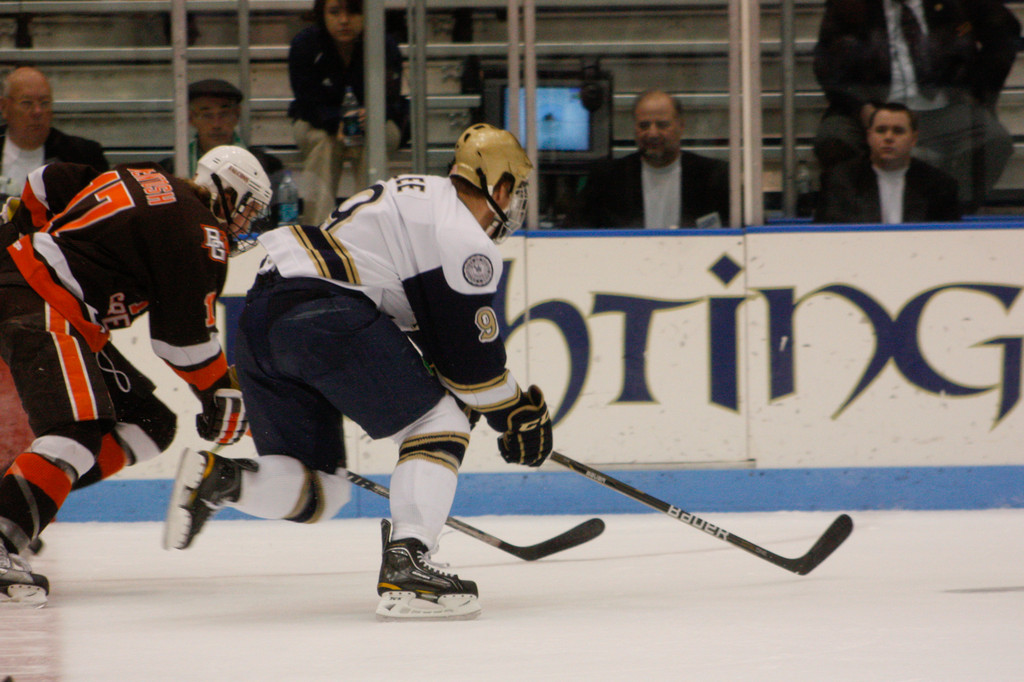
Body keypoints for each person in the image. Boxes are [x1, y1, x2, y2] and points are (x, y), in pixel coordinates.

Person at [164, 123, 552, 621]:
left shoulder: (416, 193)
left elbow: (421, 330)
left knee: (322, 489)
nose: (514, 203)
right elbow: (471, 371)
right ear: (498, 185)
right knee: (441, 423)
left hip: (262, 315)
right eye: (514, 190)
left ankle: (224, 480)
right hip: (324, 314)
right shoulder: (463, 238)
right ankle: (408, 565)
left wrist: (471, 392)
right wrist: (517, 412)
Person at [0, 146, 272, 605]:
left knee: (149, 423)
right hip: (42, 298)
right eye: (246, 206)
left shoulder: (142, 175)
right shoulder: (200, 230)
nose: (245, 221)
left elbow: (47, 180)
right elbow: (181, 340)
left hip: (49, 298)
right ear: (225, 187)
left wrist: (17, 230)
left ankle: (13, 500)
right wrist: (217, 393)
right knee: (77, 429)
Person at [812, 0, 1020, 211]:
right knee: (835, 137)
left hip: (943, 109)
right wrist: (860, 107)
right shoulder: (850, 5)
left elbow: (1005, 33)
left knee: (993, 139)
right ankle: (862, 213)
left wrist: (977, 90)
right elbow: (827, 64)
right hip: (873, 109)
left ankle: (950, 210)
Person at [287, 0, 408, 226]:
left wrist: (371, 116)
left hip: (374, 124)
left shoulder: (385, 44)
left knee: (371, 142)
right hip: (318, 124)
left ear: (366, 13)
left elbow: (394, 100)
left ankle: (373, 227)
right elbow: (306, 101)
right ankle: (317, 231)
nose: (344, 20)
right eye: (334, 12)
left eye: (353, 11)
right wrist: (335, 122)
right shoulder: (304, 45)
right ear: (321, 14)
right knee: (325, 143)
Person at [571, 89, 729, 229]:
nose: (652, 133)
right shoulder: (605, 179)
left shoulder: (714, 177)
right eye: (644, 125)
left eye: (662, 125)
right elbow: (575, 234)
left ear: (681, 126)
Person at [814, 102, 961, 223]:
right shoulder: (840, 181)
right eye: (881, 130)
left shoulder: (939, 185)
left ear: (913, 139)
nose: (889, 137)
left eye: (898, 131)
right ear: (869, 136)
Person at [0, 65, 108, 199]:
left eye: (44, 103)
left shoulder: (83, 159)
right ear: (4, 107)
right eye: (27, 103)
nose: (37, 111)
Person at [157, 79, 283, 181]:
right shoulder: (169, 170)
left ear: (237, 115)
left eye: (224, 114)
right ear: (190, 119)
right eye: (207, 116)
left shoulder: (267, 166)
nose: (216, 125)